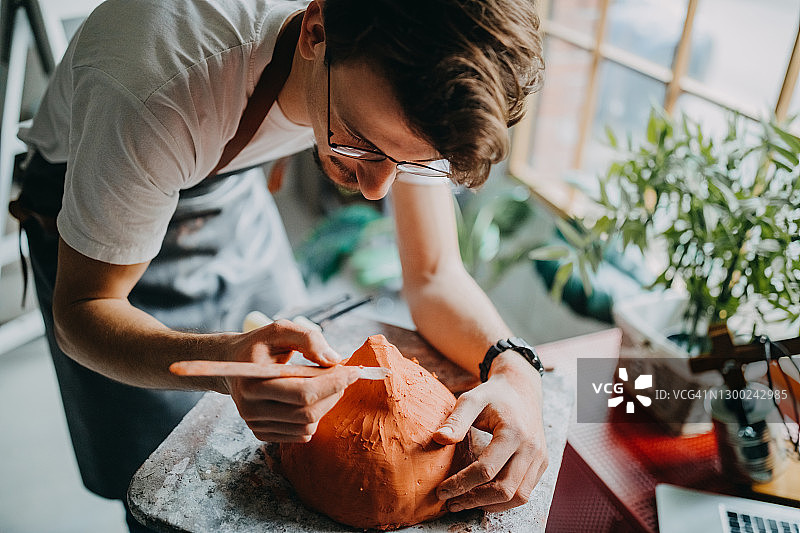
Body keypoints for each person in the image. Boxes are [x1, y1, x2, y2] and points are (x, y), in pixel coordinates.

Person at [10, 0, 546, 530]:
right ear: (315, 32)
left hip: (224, 187)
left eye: (410, 163)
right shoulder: (155, 92)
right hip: (100, 212)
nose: (375, 190)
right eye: (359, 142)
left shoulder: (402, 78)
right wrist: (223, 363)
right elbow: (82, 312)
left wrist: (515, 368)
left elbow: (433, 276)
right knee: (166, 472)